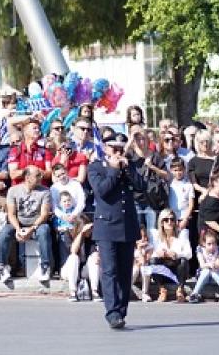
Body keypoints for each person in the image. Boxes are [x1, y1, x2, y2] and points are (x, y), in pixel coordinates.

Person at [88, 138, 146, 329]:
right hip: (106, 226)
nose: (118, 151)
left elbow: (141, 187)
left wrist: (128, 169)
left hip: (127, 226)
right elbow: (102, 191)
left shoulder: (127, 166)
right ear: (105, 148)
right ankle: (112, 312)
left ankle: (121, 311)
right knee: (110, 270)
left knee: (124, 272)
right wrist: (113, 169)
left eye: (121, 148)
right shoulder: (97, 167)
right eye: (114, 147)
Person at [0, 165, 53, 286]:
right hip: (19, 222)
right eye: (37, 175)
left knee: (44, 231)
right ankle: (2, 266)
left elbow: (44, 215)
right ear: (27, 177)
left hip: (37, 223)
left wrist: (32, 229)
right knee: (4, 233)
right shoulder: (13, 190)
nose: (41, 176)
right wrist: (18, 229)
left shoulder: (45, 191)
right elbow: (11, 214)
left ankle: (45, 266)